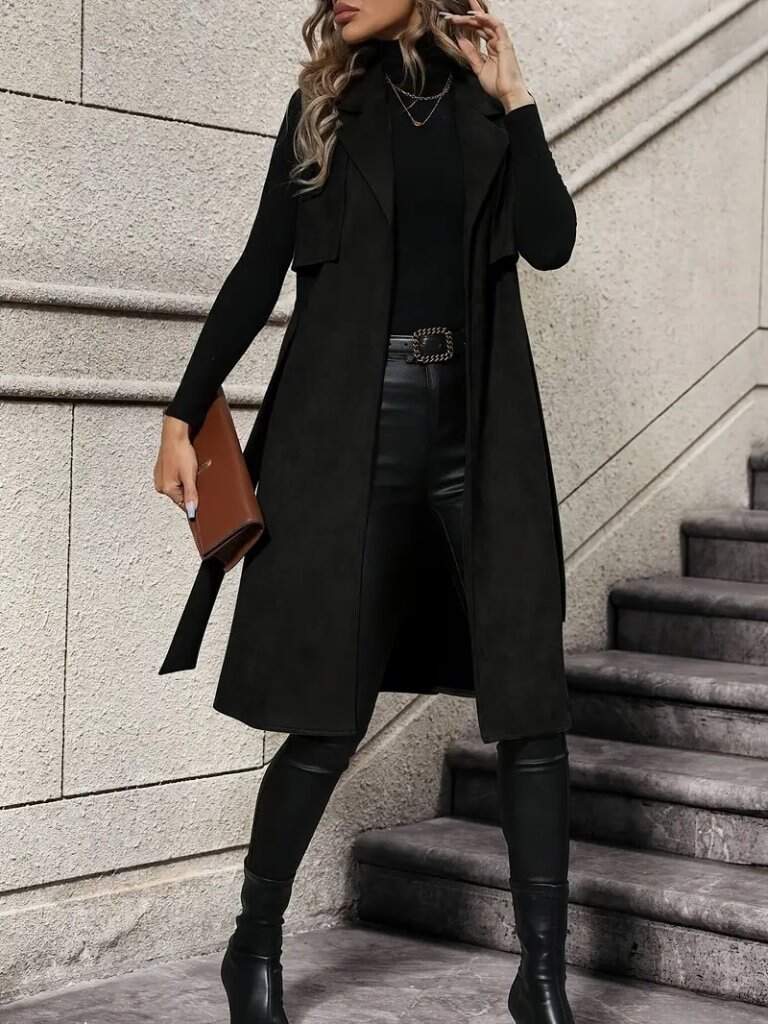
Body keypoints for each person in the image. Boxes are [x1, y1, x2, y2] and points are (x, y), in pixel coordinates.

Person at [154, 1, 577, 1021]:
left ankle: (543, 979)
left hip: (479, 430)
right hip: (355, 429)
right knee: (326, 711)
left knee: (530, 702)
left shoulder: (484, 108)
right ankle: (254, 943)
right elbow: (259, 268)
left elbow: (552, 243)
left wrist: (518, 98)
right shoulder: (326, 108)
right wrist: (181, 413)